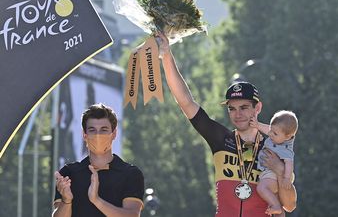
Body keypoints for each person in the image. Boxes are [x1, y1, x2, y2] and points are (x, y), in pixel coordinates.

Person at [157, 32, 297, 217]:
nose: (237, 114)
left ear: (258, 108)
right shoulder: (220, 139)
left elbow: (289, 205)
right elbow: (186, 102)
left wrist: (280, 170)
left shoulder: (274, 146)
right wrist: (166, 55)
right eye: (232, 108)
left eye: (244, 107)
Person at [52, 103, 145, 217]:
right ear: (84, 135)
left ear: (114, 133)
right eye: (92, 130)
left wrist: (96, 200)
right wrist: (66, 201)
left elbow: (132, 215)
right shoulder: (68, 174)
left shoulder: (131, 174)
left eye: (103, 130)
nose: (98, 135)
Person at [251, 110, 298, 215]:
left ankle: (276, 206)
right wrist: (257, 125)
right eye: (271, 130)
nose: (270, 134)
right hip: (271, 173)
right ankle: (278, 208)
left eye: (274, 133)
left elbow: (289, 164)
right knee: (276, 196)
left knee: (262, 188)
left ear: (288, 136)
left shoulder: (286, 149)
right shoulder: (277, 135)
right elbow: (268, 129)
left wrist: (286, 179)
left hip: (275, 174)